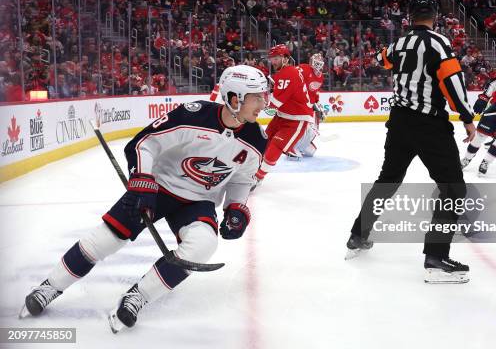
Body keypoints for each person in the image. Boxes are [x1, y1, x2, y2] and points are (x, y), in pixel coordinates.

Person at [20, 65, 269, 333]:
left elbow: (242, 179)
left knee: (203, 245)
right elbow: (143, 143)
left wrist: (235, 208)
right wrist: (142, 182)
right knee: (106, 239)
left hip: (198, 200)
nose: (263, 103)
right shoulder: (193, 116)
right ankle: (50, 286)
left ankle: (137, 297)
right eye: (257, 97)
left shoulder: (257, 138)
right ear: (235, 98)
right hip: (158, 188)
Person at [346, 0, 476, 284]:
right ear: (434, 17)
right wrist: (467, 118)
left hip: (400, 123)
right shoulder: (439, 43)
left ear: (409, 16)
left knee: (387, 181)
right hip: (430, 125)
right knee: (454, 189)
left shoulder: (398, 43)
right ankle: (437, 256)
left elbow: (381, 60)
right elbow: (453, 84)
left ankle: (358, 235)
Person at [254, 44, 314, 185]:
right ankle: (253, 169)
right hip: (282, 116)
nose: (273, 61)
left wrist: (256, 102)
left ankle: (258, 177)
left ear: (286, 59)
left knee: (275, 146)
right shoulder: (284, 73)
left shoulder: (289, 73)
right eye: (272, 59)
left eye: (276, 58)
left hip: (296, 119)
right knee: (264, 141)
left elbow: (275, 103)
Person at [288, 52, 326, 159]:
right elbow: (292, 76)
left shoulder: (320, 77)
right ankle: (292, 146)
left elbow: (315, 93)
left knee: (312, 132)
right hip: (299, 103)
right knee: (304, 127)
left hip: (309, 105)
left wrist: (318, 104)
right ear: (311, 62)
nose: (318, 66)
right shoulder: (304, 68)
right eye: (316, 63)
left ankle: (301, 146)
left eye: (320, 64)